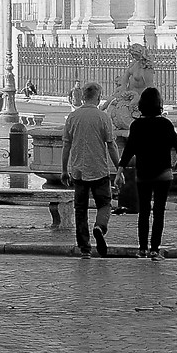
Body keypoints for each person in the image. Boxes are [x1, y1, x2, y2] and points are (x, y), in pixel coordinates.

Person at [119, 87, 177, 259]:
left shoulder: (136, 125)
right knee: (159, 212)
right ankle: (155, 249)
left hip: (143, 174)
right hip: (163, 173)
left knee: (144, 211)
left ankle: (142, 248)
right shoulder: (165, 124)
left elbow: (129, 149)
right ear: (159, 104)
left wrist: (120, 169)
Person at [59, 83, 123, 258]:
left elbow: (66, 145)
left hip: (78, 170)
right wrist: (119, 169)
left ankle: (85, 248)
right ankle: (99, 226)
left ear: (83, 97)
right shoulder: (103, 117)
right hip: (99, 170)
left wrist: (64, 170)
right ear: (99, 96)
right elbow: (111, 145)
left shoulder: (72, 117)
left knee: (80, 209)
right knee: (105, 203)